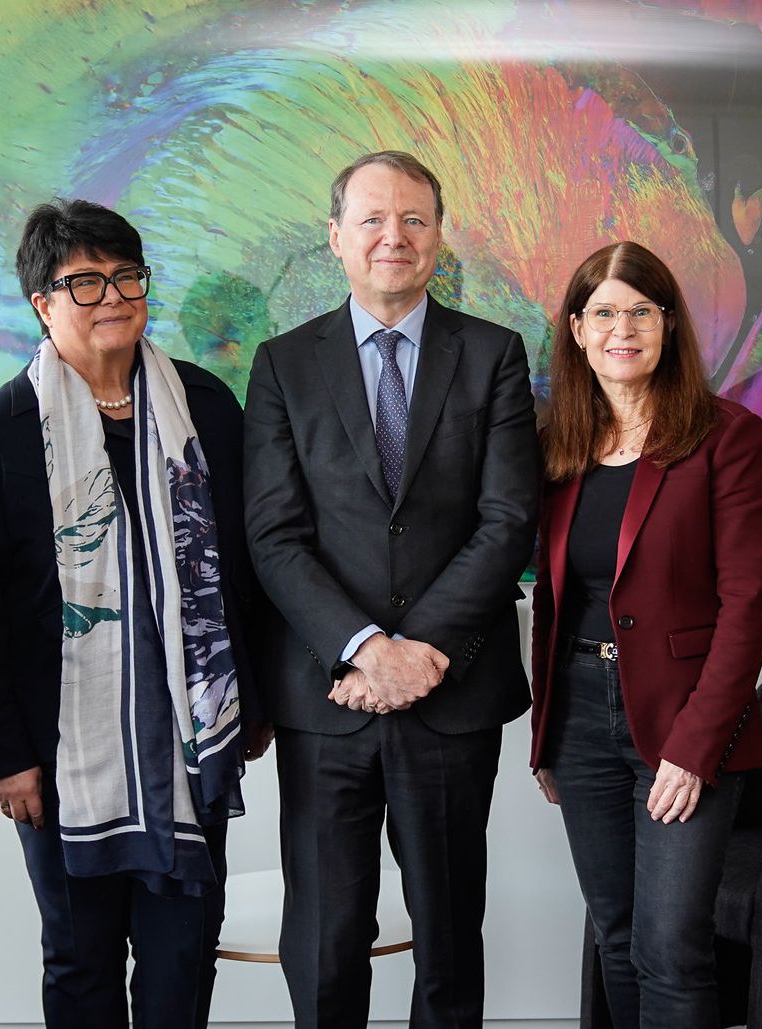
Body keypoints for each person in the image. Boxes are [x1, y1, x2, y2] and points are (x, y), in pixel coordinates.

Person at [0, 199, 266, 1029]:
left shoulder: (204, 406)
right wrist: (2, 754)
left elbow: (242, 567)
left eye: (127, 275)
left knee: (183, 953)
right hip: (56, 756)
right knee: (81, 960)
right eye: (84, 281)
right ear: (41, 303)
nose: (113, 295)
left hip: (187, 740)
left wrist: (250, 705)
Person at [243, 150, 539, 1027]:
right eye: (371, 219)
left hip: (452, 693)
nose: (393, 237)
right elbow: (274, 533)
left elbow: (506, 520)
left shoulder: (493, 355)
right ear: (334, 237)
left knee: (449, 937)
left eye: (413, 219)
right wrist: (368, 648)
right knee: (328, 938)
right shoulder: (283, 364)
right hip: (327, 695)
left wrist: (424, 652)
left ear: (439, 236)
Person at [529, 241, 762, 1028]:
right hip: (579, 716)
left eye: (641, 310)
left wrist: (695, 747)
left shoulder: (726, 436)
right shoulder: (556, 445)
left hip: (683, 719)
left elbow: (747, 604)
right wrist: (547, 732)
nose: (621, 328)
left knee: (672, 947)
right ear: (575, 328)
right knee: (617, 933)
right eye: (603, 311)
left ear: (668, 324)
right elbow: (551, 599)